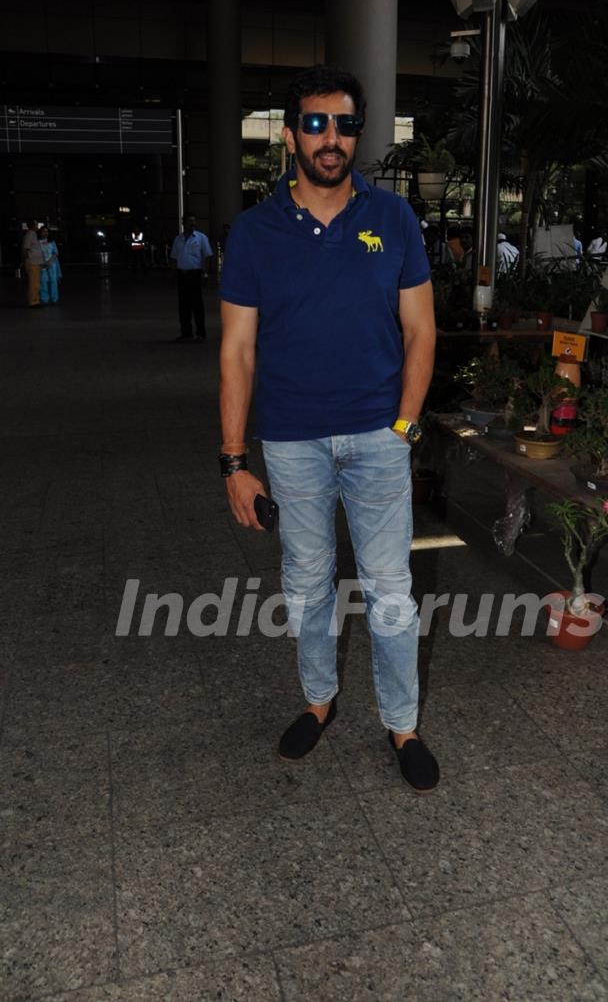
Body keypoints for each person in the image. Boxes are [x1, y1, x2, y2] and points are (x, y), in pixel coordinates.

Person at [219, 64, 439, 793]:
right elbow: (237, 351)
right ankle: (318, 702)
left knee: (390, 590)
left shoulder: (394, 220)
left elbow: (421, 331)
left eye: (344, 124)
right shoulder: (254, 233)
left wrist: (404, 425)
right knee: (308, 585)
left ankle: (402, 725)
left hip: (379, 438)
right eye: (316, 123)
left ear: (357, 136)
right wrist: (232, 460)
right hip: (291, 442)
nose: (331, 138)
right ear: (289, 136)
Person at [169, 214, 213, 342]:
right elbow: (174, 258)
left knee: (197, 305)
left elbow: (207, 256)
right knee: (183, 306)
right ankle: (186, 333)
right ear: (183, 223)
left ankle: (200, 333)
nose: (193, 225)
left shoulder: (201, 238)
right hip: (182, 275)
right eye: (190, 222)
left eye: (194, 222)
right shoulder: (178, 239)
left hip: (195, 275)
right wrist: (172, 276)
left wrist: (205, 274)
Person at [21, 219, 44, 307]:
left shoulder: (34, 235)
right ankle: (33, 301)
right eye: (36, 224)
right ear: (32, 225)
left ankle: (36, 300)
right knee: (33, 283)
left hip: (36, 262)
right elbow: (25, 249)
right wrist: (27, 260)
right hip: (32, 262)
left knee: (36, 283)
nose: (37, 226)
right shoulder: (29, 235)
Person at [38, 225, 62, 304]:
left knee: (53, 281)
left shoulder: (52, 242)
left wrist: (50, 261)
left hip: (52, 264)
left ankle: (54, 299)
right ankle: (44, 299)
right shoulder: (37, 242)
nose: (46, 233)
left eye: (47, 231)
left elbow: (55, 253)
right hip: (42, 265)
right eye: (44, 231)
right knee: (43, 282)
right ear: (40, 232)